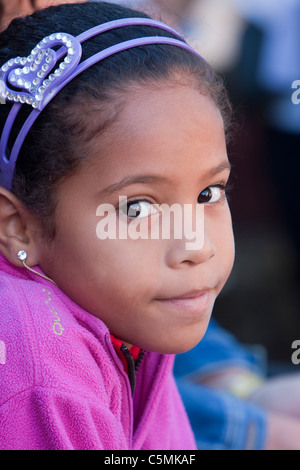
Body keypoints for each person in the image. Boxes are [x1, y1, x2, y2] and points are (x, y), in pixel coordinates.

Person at [0, 1, 234, 450]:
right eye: (139, 208)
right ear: (18, 227)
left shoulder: (133, 315)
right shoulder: (37, 361)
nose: (196, 245)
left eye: (209, 193)